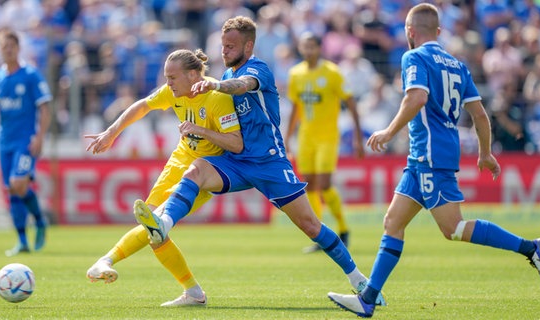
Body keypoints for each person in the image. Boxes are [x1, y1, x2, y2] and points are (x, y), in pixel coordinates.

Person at [132, 16, 385, 305]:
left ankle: (359, 280)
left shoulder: (257, 69)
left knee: (310, 226)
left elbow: (242, 85)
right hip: (237, 160)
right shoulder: (224, 78)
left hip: (269, 163)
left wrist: (213, 84)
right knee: (197, 169)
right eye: (222, 46)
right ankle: (164, 223)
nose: (224, 51)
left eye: (231, 46)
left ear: (248, 45)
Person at [326, 3, 540, 318]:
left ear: (410, 31)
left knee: (454, 228)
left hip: (431, 154)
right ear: (439, 32)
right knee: (393, 222)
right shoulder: (458, 65)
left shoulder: (414, 57)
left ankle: (533, 248)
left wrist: (389, 131)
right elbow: (480, 115)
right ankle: (368, 298)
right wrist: (486, 153)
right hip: (425, 155)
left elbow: (416, 97)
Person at [84, 48, 243, 307]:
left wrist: (199, 129)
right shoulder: (172, 92)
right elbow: (143, 105)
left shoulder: (217, 99)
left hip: (206, 170)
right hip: (180, 160)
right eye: (166, 77)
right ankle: (192, 292)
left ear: (193, 75)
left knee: (156, 224)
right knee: (154, 227)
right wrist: (112, 132)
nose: (167, 83)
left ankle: (107, 260)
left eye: (172, 77)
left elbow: (236, 144)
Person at [284, 32, 364, 253]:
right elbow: (295, 108)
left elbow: (351, 103)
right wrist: (288, 137)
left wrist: (358, 138)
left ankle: (343, 229)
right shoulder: (296, 74)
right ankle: (320, 234)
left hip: (328, 137)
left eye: (312, 46)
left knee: (325, 184)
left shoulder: (332, 73)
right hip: (306, 137)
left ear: (320, 48)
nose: (308, 51)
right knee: (308, 184)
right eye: (305, 46)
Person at [0, 28, 51, 257]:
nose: (7, 51)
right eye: (3, 47)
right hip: (4, 141)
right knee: (12, 190)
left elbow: (44, 108)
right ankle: (23, 240)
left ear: (17, 48)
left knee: (18, 184)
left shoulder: (30, 74)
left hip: (25, 140)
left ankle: (39, 221)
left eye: (11, 47)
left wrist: (40, 136)